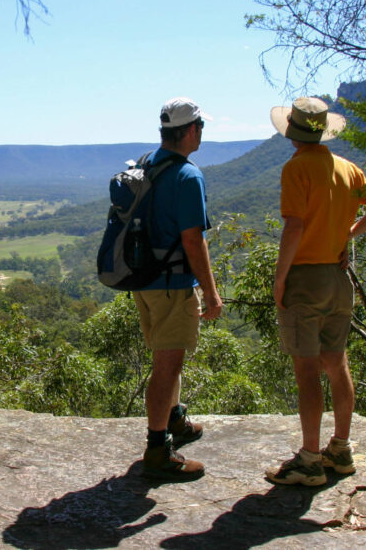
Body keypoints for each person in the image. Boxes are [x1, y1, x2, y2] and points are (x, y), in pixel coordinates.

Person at [264, 97, 366, 486]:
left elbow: (294, 227)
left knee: (306, 371)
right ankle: (340, 450)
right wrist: (348, 235)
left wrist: (280, 278)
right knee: (336, 364)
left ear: (291, 131)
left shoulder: (296, 168)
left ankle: (308, 462)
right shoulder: (347, 168)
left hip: (305, 278)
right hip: (340, 280)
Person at [135, 97, 223, 481]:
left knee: (167, 360)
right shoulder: (189, 176)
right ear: (189, 130)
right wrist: (212, 291)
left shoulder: (145, 164)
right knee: (167, 367)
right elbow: (193, 241)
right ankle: (158, 451)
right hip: (172, 284)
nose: (202, 133)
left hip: (143, 280)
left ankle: (175, 421)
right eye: (201, 127)